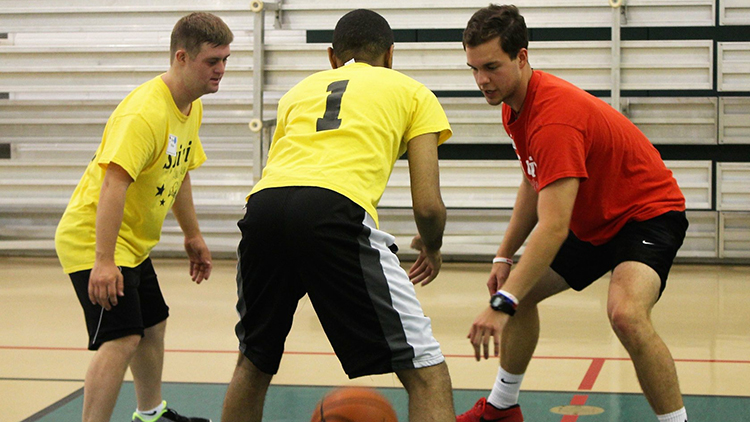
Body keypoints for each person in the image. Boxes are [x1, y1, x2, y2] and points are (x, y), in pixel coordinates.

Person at [220, 9, 455, 422]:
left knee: (253, 360)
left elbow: (284, 169)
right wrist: (431, 247)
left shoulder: (296, 93)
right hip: (334, 211)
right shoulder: (413, 92)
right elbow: (428, 205)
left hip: (264, 210)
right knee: (426, 370)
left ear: (332, 56)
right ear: (391, 54)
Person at [457, 5, 689, 422]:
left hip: (646, 213)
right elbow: (534, 181)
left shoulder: (554, 120)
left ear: (522, 57)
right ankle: (502, 408)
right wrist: (503, 257)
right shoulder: (514, 105)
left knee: (626, 315)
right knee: (519, 290)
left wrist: (501, 302)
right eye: (473, 68)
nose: (481, 81)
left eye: (491, 67)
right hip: (593, 217)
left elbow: (554, 225)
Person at [54, 12, 233, 422]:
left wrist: (193, 235)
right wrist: (103, 261)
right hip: (92, 239)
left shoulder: (189, 106)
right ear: (183, 57)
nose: (221, 70)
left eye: (226, 59)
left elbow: (180, 171)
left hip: (131, 242)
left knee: (153, 323)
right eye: (213, 61)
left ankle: (150, 414)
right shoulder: (144, 113)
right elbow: (113, 186)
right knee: (121, 337)